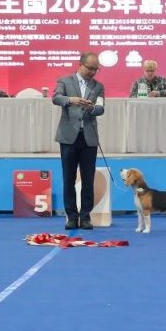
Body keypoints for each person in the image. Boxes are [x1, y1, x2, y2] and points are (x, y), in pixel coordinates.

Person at [53, 51, 106, 229]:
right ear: (80, 65)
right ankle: (71, 216)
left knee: (88, 179)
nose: (93, 72)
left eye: (96, 69)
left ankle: (85, 217)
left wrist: (92, 108)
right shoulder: (65, 81)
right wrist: (70, 100)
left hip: (89, 138)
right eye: (90, 68)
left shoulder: (98, 86)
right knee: (68, 178)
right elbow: (56, 98)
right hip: (68, 137)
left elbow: (101, 108)